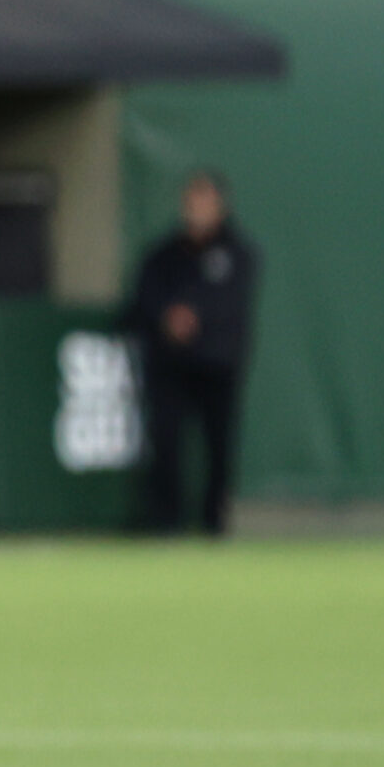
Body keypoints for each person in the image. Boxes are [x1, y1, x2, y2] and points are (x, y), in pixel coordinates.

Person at [126, 170, 258, 534]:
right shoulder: (163, 255)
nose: (197, 208)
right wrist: (168, 317)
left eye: (205, 200)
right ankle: (165, 522)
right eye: (191, 200)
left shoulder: (239, 254)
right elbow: (142, 301)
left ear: (220, 206)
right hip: (171, 366)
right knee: (166, 442)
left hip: (217, 365)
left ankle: (213, 522)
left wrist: (195, 317)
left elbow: (230, 304)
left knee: (218, 447)